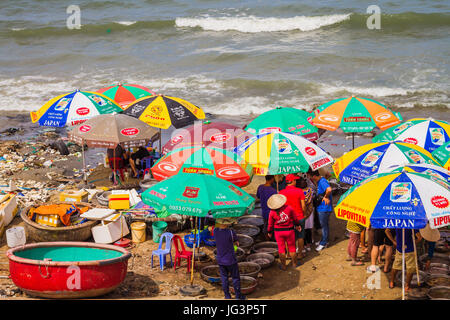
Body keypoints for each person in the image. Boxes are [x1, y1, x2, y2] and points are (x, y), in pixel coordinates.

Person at [267, 194, 302, 270]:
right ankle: (294, 264)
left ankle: (283, 266)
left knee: (281, 249)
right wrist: (297, 225)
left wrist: (269, 232)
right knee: (292, 247)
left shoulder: (272, 212)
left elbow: (270, 224)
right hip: (289, 231)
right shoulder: (289, 208)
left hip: (278, 233)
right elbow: (295, 218)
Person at [213, 218, 246, 300]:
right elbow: (236, 243)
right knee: (235, 278)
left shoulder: (215, 231)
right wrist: (235, 244)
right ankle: (238, 297)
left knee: (224, 279)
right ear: (227, 223)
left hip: (220, 260)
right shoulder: (231, 232)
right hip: (231, 260)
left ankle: (227, 296)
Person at [280, 174, 306, 258]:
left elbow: (280, 206)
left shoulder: (281, 192)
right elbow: (303, 206)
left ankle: (288, 254)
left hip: (287, 219)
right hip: (299, 217)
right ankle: (300, 254)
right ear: (293, 181)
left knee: (288, 237)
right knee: (300, 236)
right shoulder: (299, 191)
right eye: (295, 180)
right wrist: (304, 214)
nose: (296, 181)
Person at [307, 170, 333, 252]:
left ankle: (324, 243)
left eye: (309, 176)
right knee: (324, 225)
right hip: (322, 208)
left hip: (324, 208)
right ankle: (323, 240)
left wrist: (326, 197)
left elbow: (329, 189)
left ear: (314, 176)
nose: (309, 178)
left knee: (324, 226)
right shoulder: (320, 181)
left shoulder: (322, 181)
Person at [297, 176, 314, 252]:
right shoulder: (310, 190)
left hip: (302, 213)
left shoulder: (298, 192)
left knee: (302, 229)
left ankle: (303, 245)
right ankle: (309, 244)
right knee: (308, 229)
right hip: (309, 212)